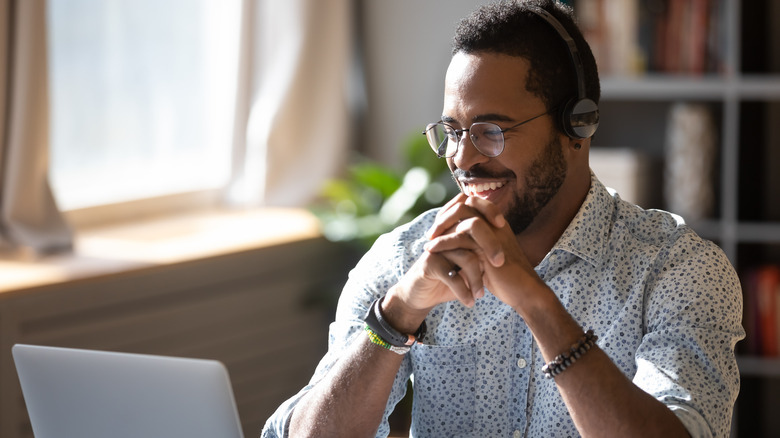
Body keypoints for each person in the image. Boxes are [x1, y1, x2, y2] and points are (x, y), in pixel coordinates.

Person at [262, 1, 744, 437]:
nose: (462, 158)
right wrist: (397, 316)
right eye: (452, 131)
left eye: (491, 130)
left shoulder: (679, 271)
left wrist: (538, 305)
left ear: (578, 126)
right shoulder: (405, 259)